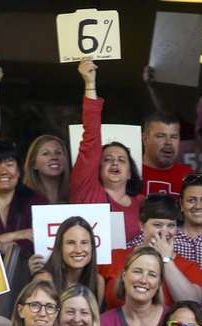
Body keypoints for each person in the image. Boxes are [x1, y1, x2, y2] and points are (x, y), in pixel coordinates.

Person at [72, 58, 143, 241]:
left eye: (121, 159)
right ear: (96, 167)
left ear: (129, 173)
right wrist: (90, 84)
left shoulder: (142, 204)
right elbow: (91, 138)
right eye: (108, 159)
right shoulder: (87, 188)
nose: (114, 162)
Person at [99, 197, 202, 310]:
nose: (165, 232)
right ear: (141, 225)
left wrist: (166, 259)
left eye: (171, 225)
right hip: (114, 325)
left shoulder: (189, 266)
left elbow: (192, 304)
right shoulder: (115, 256)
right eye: (158, 225)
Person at [99, 247, 167, 326]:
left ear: (159, 283)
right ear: (124, 276)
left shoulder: (171, 320)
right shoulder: (104, 324)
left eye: (152, 275)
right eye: (137, 271)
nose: (144, 280)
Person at [29, 215, 102, 299]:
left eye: (84, 242)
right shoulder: (44, 279)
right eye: (71, 242)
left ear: (92, 246)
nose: (78, 250)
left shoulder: (98, 282)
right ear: (60, 247)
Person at [139, 111, 193, 197]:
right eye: (161, 136)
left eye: (174, 137)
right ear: (145, 139)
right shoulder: (129, 174)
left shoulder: (189, 177)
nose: (168, 142)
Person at [22, 134, 70, 204]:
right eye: (46, 153)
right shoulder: (24, 199)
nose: (54, 157)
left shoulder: (76, 195)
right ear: (33, 164)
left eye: (58, 152)